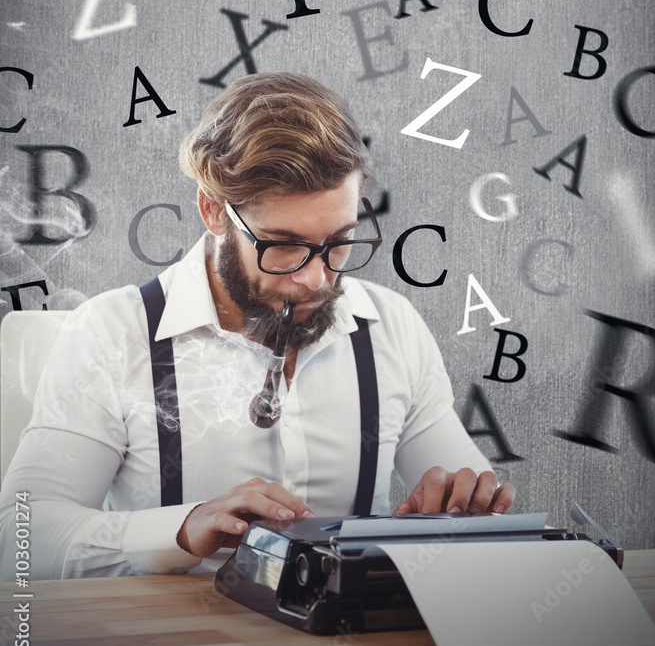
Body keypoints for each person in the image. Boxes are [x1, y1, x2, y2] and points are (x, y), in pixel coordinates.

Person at [0, 73, 514, 579]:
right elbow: (19, 540)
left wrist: (460, 513)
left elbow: (466, 497)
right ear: (213, 212)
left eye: (339, 242)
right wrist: (183, 528)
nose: (316, 279)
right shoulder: (111, 335)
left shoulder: (391, 327)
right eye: (283, 245)